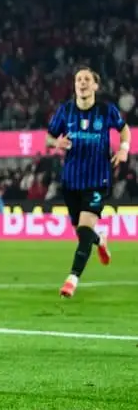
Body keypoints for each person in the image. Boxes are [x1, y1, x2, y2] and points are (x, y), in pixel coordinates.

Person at [46, 67, 130, 297]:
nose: (82, 83)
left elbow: (124, 130)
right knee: (82, 231)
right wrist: (56, 143)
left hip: (97, 179)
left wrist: (123, 149)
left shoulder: (106, 110)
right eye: (78, 80)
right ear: (75, 85)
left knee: (84, 229)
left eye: (86, 79)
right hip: (71, 180)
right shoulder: (65, 111)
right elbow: (48, 137)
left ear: (95, 85)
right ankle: (100, 239)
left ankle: (72, 279)